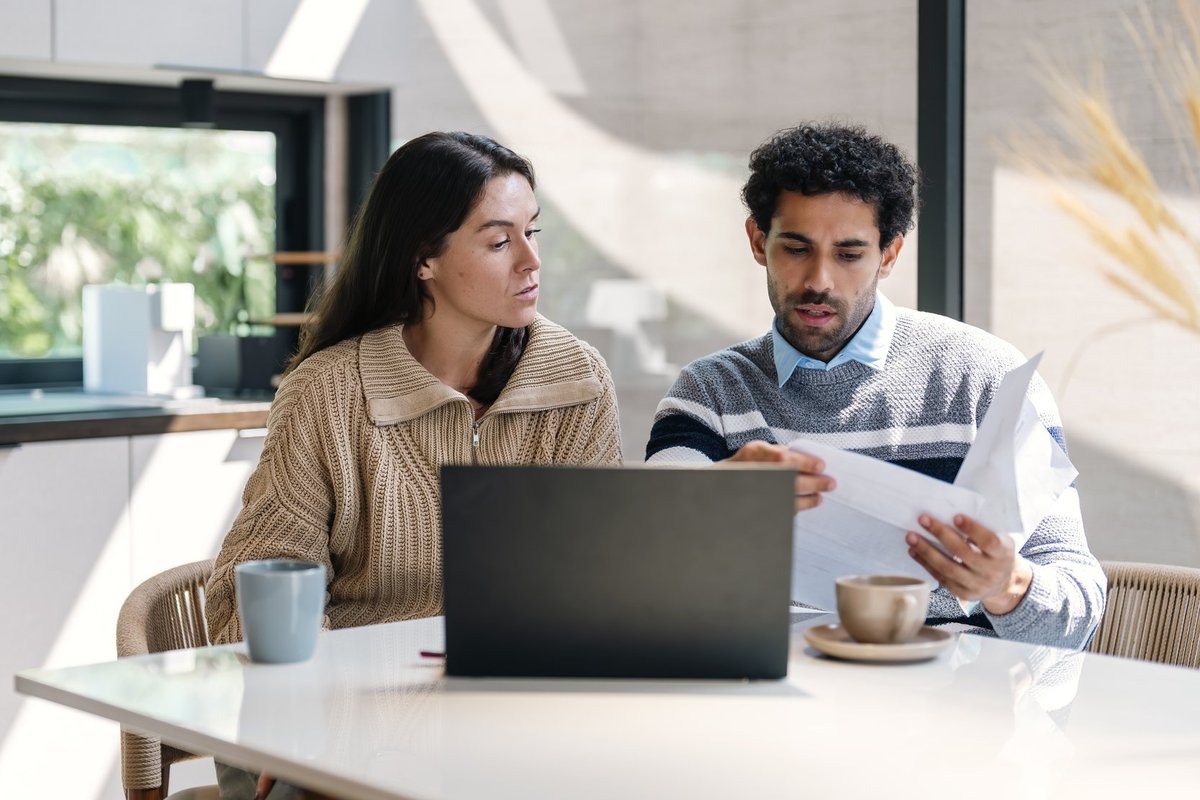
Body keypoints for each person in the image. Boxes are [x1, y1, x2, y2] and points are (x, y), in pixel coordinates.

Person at [205, 131, 622, 799]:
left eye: (532, 231)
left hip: (515, 718)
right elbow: (266, 577)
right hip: (349, 717)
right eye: (498, 241)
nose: (531, 261)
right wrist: (296, 709)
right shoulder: (328, 392)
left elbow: (600, 577)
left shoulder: (578, 380)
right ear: (423, 258)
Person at [645, 122, 1104, 649]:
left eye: (849, 254)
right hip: (767, 691)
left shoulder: (988, 379)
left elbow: (1079, 610)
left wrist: (1007, 585)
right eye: (796, 249)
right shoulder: (711, 392)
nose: (820, 280)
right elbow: (647, 558)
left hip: (954, 704)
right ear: (757, 241)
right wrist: (715, 495)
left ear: (888, 255)